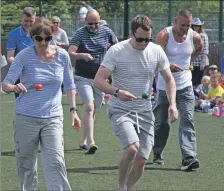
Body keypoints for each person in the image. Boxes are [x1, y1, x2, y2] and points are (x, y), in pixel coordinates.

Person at [94, 15, 178, 191]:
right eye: (140, 39)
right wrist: (117, 92)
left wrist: (172, 104)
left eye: (148, 39)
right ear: (131, 34)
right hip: (120, 109)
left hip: (145, 111)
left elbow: (169, 79)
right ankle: (121, 187)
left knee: (141, 160)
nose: (144, 43)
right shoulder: (117, 51)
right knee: (132, 149)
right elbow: (99, 80)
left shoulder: (156, 51)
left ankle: (127, 188)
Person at [2, 19, 81, 191]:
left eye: (48, 38)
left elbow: (69, 85)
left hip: (52, 117)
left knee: (56, 162)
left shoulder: (62, 56)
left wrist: (73, 111)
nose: (44, 42)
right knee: (26, 165)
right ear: (33, 38)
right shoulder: (24, 56)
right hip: (26, 117)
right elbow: (5, 84)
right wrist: (14, 86)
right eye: (39, 39)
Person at [153, 9, 203, 171]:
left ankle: (188, 157)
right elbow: (155, 56)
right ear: (175, 21)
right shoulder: (164, 35)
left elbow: (199, 48)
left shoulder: (194, 37)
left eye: (188, 26)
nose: (185, 29)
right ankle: (157, 152)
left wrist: (189, 63)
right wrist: (167, 66)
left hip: (185, 86)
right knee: (161, 123)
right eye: (182, 25)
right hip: (163, 87)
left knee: (187, 120)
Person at [68, 9, 118, 154]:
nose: (94, 27)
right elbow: (70, 52)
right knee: (89, 107)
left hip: (100, 78)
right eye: (91, 24)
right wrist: (81, 55)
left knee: (93, 110)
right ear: (86, 22)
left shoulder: (107, 32)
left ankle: (83, 140)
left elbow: (117, 48)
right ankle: (91, 142)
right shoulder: (80, 33)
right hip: (83, 77)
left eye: (96, 23)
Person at [6, 7, 36, 98]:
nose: (28, 24)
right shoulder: (13, 34)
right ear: (21, 19)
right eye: (26, 21)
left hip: (40, 74)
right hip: (21, 77)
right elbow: (10, 57)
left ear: (35, 18)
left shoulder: (42, 32)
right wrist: (22, 65)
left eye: (31, 21)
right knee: (21, 106)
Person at [191, 17, 209, 87]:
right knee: (191, 79)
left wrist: (203, 62)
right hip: (192, 63)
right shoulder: (190, 35)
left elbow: (206, 49)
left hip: (200, 63)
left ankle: (199, 95)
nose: (196, 27)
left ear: (200, 27)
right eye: (194, 26)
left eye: (197, 26)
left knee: (199, 80)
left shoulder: (203, 36)